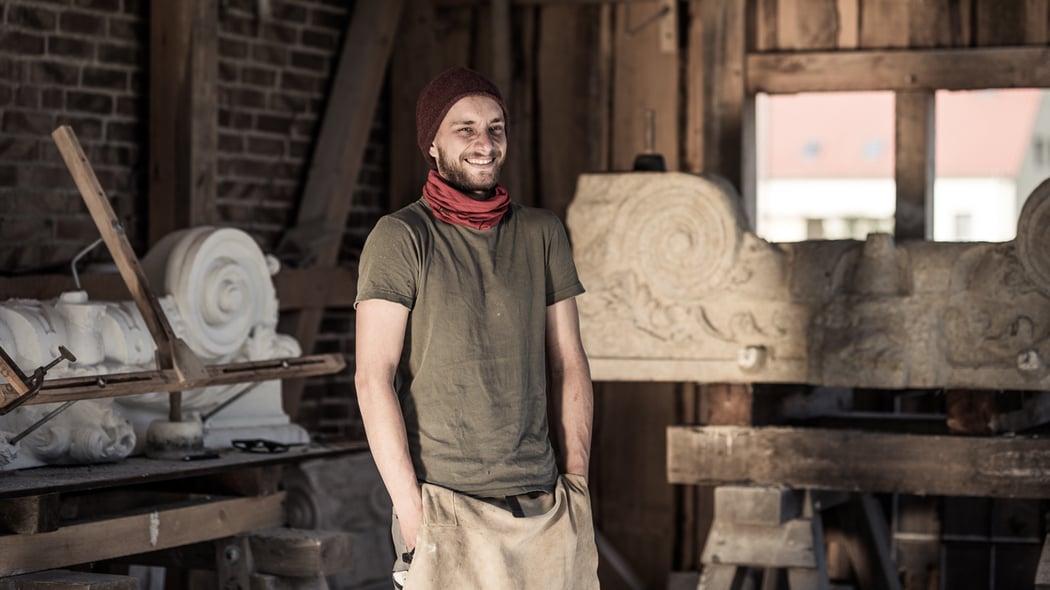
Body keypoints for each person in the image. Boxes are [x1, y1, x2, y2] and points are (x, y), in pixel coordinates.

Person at [354, 66, 600, 589]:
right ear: (434, 146)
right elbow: (373, 377)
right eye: (464, 128)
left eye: (495, 127)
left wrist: (576, 483)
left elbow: (570, 361)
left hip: (543, 505)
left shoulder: (542, 232)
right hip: (446, 504)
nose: (484, 142)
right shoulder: (400, 236)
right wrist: (413, 513)